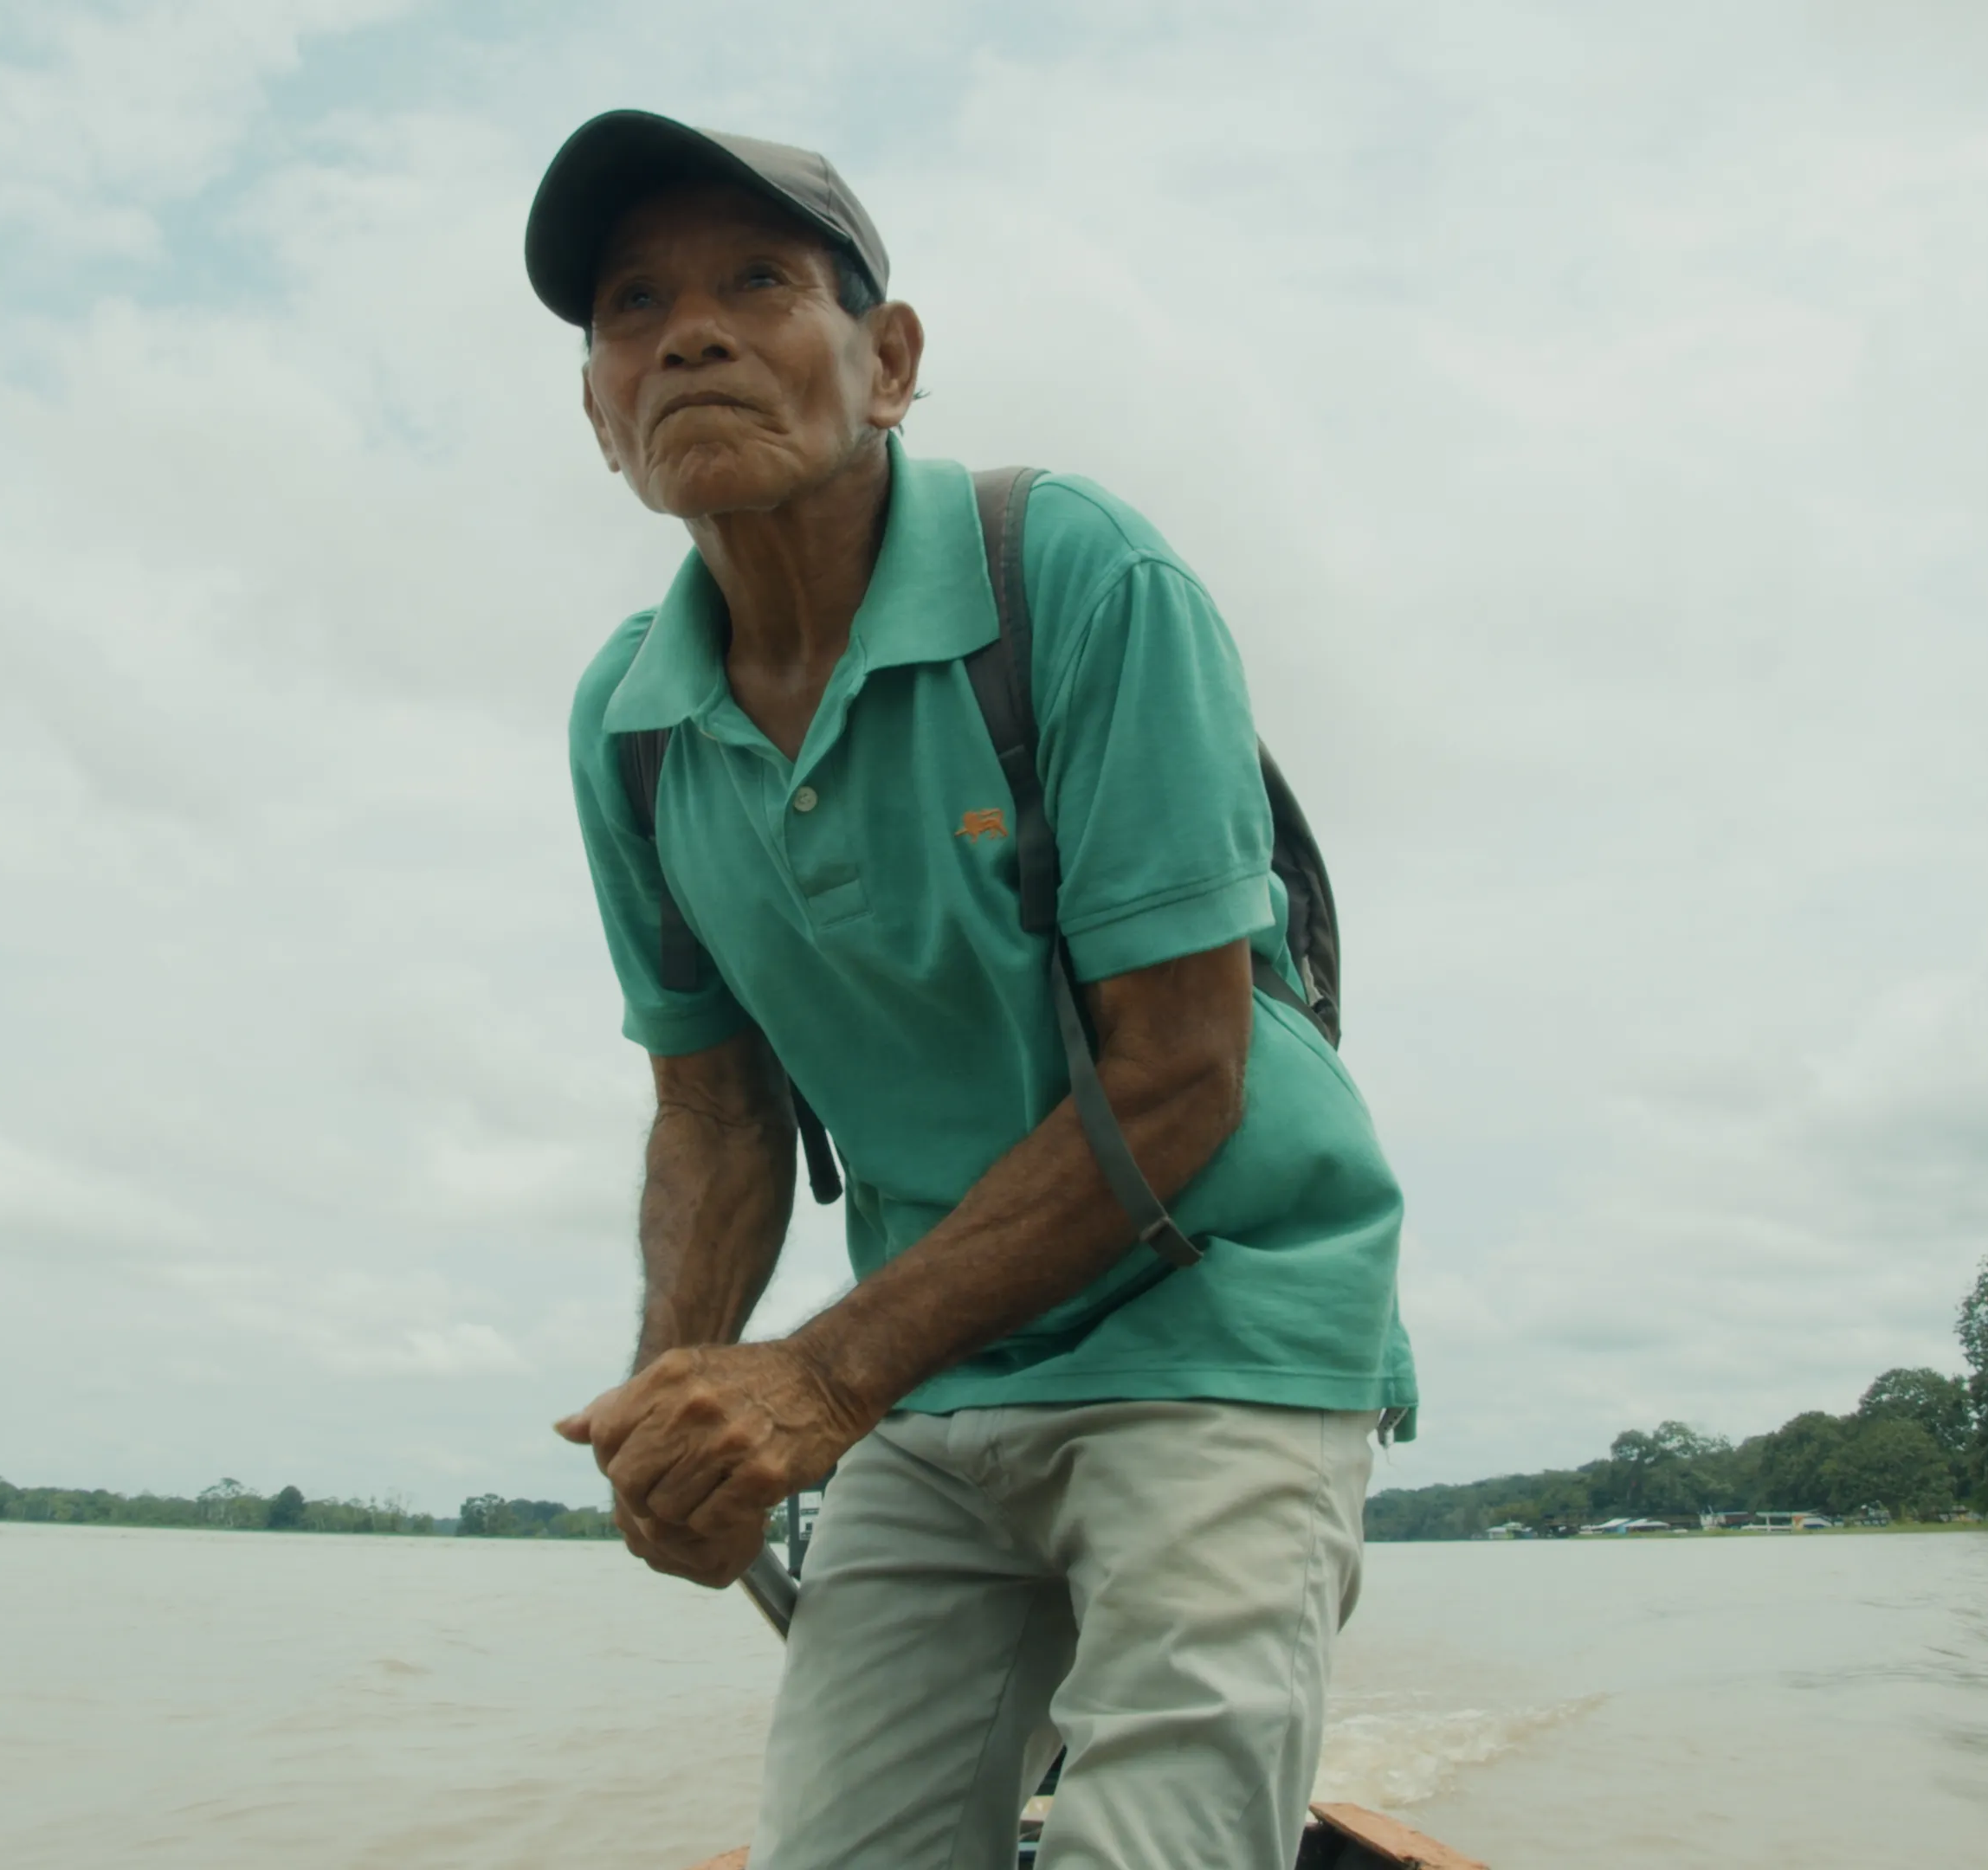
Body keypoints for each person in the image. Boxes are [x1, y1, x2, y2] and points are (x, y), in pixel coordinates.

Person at [532, 110, 1417, 1870]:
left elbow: (1175, 1077)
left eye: (758, 283)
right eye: (632, 305)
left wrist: (809, 1387)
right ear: (599, 410)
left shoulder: (1071, 570)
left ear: (891, 362)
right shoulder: (624, 720)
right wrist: (677, 1408)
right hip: (930, 1389)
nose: (687, 334)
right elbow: (711, 1108)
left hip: (1216, 1330)